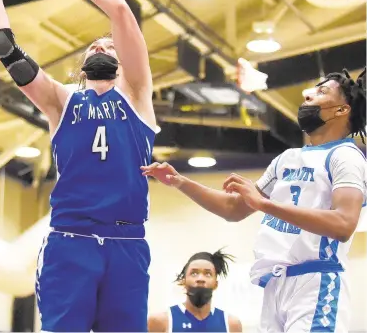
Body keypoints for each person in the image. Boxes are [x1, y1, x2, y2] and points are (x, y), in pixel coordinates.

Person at [0, 0, 156, 332]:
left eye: (109, 45)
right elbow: (4, 47)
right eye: (93, 46)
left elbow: (119, 11)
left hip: (127, 243)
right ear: (82, 65)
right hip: (69, 241)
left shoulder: (137, 94)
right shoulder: (61, 101)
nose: (101, 47)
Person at [142, 68, 366, 332]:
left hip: (316, 280)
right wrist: (180, 181)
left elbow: (343, 224)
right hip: (275, 286)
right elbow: (233, 208)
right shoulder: (287, 159)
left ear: (341, 110)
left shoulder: (346, 157)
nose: (307, 95)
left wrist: (265, 205)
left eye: (321, 91)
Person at [148, 249, 242, 332]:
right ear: (183, 281)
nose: (200, 278)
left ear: (215, 284)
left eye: (208, 274)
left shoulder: (231, 324)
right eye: (194, 273)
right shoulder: (160, 321)